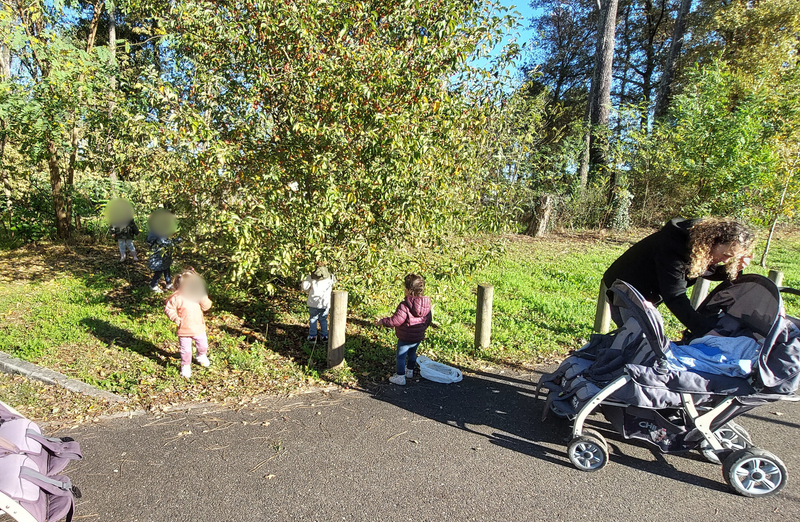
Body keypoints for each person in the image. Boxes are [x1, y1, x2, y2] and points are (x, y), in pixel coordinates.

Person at [603, 217, 755, 335]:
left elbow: (704, 271)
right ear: (713, 241)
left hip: (650, 289)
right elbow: (675, 297)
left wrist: (734, 269)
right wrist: (705, 329)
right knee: (637, 340)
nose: (726, 260)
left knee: (643, 340)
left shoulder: (702, 246)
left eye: (732, 257)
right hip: (625, 286)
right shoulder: (674, 247)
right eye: (726, 255)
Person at [376, 274, 433, 386]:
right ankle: (409, 371)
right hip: (417, 337)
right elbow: (428, 320)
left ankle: (400, 376)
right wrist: (421, 330)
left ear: (407, 290)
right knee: (412, 354)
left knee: (401, 357)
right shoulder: (426, 305)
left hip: (405, 337)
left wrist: (382, 321)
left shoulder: (405, 305)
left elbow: (396, 320)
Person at [164, 269, 213, 379]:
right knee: (186, 350)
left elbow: (207, 306)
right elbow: (169, 309)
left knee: (203, 344)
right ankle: (185, 365)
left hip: (198, 327)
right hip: (184, 329)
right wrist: (175, 317)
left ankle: (201, 355)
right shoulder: (177, 298)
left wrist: (204, 297)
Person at [301, 265, 336, 342]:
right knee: (323, 319)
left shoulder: (311, 277)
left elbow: (305, 287)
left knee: (313, 319)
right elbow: (334, 283)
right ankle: (324, 336)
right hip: (325, 303)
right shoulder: (330, 277)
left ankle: (312, 337)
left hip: (314, 303)